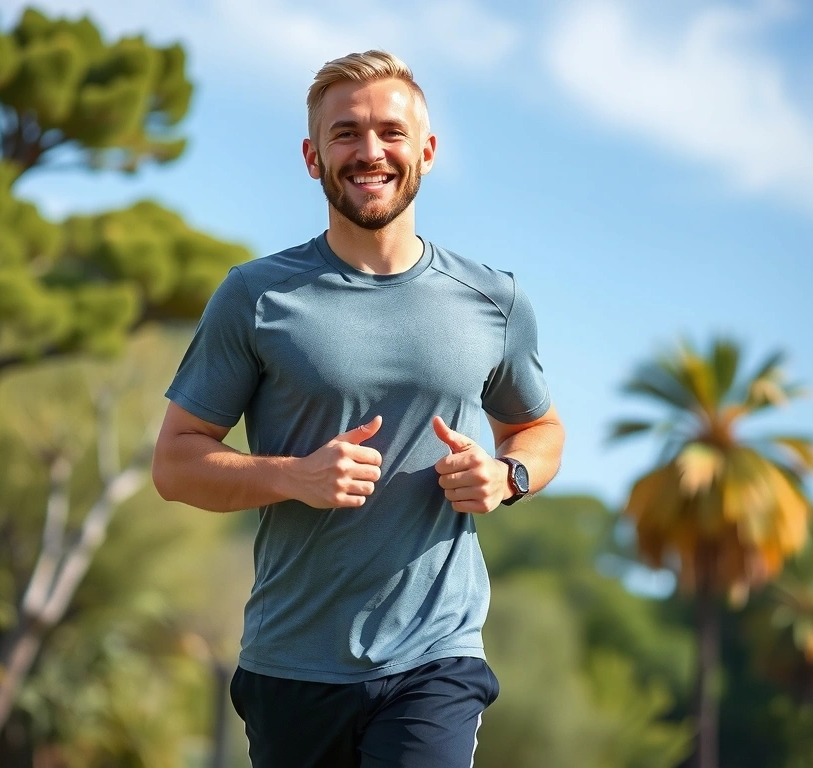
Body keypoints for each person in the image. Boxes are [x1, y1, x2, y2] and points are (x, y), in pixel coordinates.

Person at [153, 50, 565, 768]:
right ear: (313, 157)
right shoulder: (256, 298)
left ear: (426, 153)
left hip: (433, 659)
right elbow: (175, 463)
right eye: (345, 133)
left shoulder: (493, 300)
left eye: (390, 132)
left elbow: (540, 429)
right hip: (291, 664)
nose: (368, 151)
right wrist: (292, 475)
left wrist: (508, 477)